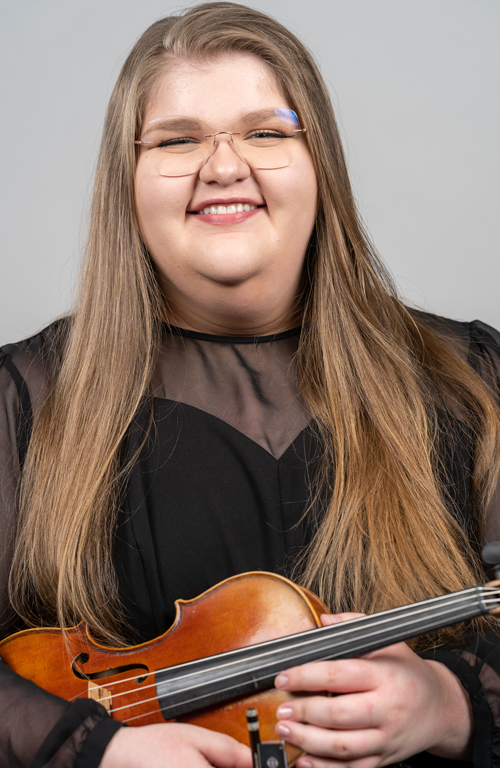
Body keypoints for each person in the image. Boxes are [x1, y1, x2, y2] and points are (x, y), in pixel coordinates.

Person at [1, 2, 500, 767]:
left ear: (320, 163)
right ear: (128, 180)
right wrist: (94, 751)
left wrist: (452, 703)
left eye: (266, 132)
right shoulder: (22, 403)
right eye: (177, 139)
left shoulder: (471, 378)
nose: (224, 166)